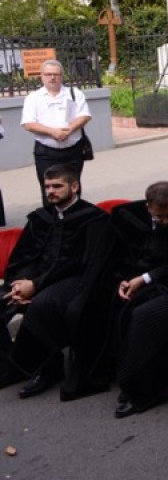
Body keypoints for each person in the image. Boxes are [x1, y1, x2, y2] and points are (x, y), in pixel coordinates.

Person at [0, 165, 111, 397]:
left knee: (42, 305)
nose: (51, 191)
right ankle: (12, 366)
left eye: (57, 186)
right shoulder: (40, 218)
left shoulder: (93, 219)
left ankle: (46, 369)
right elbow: (23, 255)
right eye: (47, 186)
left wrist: (36, 285)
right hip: (33, 280)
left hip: (73, 280)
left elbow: (82, 262)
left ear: (74, 186)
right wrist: (20, 282)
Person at [106, 182, 168, 418]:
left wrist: (144, 279)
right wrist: (123, 281)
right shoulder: (127, 216)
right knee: (107, 302)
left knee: (145, 316)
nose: (166, 221)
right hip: (134, 280)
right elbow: (117, 256)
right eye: (159, 216)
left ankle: (138, 386)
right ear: (148, 207)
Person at [21, 59, 92, 201]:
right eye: (48, 74)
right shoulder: (33, 98)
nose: (52, 77)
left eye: (56, 74)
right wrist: (52, 132)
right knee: (50, 189)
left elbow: (85, 116)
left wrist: (69, 130)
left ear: (61, 76)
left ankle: (74, 214)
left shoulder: (74, 93)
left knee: (73, 187)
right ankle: (52, 215)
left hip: (73, 151)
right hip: (46, 153)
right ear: (41, 76)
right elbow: (28, 124)